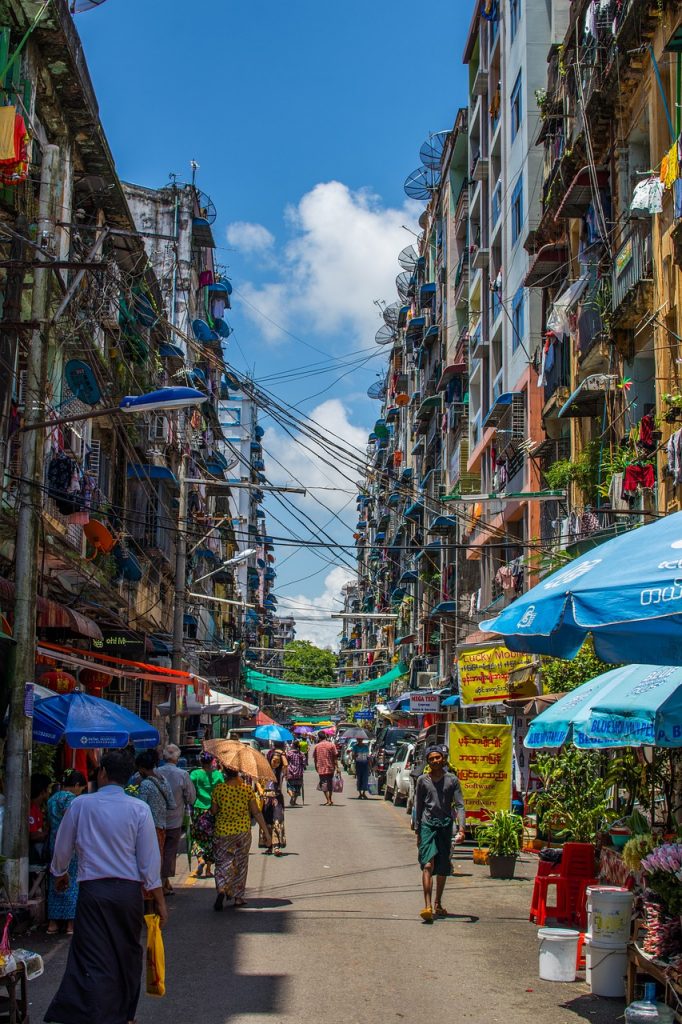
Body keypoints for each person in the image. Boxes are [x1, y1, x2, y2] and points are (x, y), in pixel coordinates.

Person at [44, 750, 167, 1024]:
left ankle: (95, 1011)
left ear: (102, 773)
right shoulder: (138, 809)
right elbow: (149, 861)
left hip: (93, 892)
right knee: (127, 952)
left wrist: (59, 874)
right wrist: (159, 899)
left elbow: (62, 848)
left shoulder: (81, 805)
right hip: (127, 894)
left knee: (92, 955)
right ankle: (124, 1014)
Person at [414, 744, 466, 923]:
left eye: (438, 758)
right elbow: (418, 805)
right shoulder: (422, 780)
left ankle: (438, 902)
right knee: (428, 864)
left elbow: (459, 805)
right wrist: (418, 830)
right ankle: (427, 906)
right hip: (428, 826)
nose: (435, 761)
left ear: (443, 759)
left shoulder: (452, 780)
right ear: (428, 761)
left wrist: (462, 828)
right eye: (432, 758)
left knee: (442, 867)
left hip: (445, 826)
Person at [211, 766, 271, 911]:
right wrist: (267, 834)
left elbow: (213, 811)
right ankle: (238, 897)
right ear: (237, 772)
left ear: (225, 773)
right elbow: (256, 812)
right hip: (242, 832)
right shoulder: (246, 789)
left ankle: (221, 888)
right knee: (241, 863)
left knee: (222, 862)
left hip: (222, 832)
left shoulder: (219, 789)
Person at [46, 769, 87, 935]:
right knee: (71, 882)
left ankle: (53, 923)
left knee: (55, 878)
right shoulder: (72, 800)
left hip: (53, 842)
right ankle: (71, 923)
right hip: (70, 843)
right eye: (82, 788)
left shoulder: (51, 799)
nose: (81, 791)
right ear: (76, 785)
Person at [157, 744, 196, 895]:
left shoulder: (156, 772)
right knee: (169, 852)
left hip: (157, 819)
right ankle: (161, 883)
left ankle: (163, 882)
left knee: (159, 851)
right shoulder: (182, 775)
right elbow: (191, 797)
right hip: (174, 820)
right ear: (177, 758)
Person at [133, 750, 175, 864]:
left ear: (142, 767)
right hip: (162, 826)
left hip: (148, 828)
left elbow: (139, 808)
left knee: (147, 860)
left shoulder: (145, 784)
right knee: (157, 858)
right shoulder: (163, 781)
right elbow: (172, 804)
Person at [189, 751, 223, 877]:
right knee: (211, 840)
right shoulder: (218, 775)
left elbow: (189, 789)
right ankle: (208, 870)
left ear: (201, 762)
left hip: (199, 810)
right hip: (213, 811)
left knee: (197, 837)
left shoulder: (195, 774)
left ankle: (200, 859)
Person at [262, 750, 287, 854]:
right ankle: (269, 846)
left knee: (277, 821)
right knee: (267, 823)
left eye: (278, 762)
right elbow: (258, 783)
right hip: (266, 798)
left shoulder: (280, 771)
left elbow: (285, 764)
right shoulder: (263, 770)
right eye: (274, 761)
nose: (276, 763)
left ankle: (276, 846)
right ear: (270, 759)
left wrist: (282, 754)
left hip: (277, 797)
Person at [313, 734, 339, 806]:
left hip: (321, 767)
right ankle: (330, 799)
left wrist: (316, 766)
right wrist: (337, 767)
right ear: (326, 737)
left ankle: (328, 800)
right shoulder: (331, 745)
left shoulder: (317, 746)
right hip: (330, 767)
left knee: (323, 784)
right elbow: (335, 757)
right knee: (330, 783)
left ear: (319, 737)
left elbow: (315, 758)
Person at [285, 741, 306, 806]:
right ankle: (293, 801)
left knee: (289, 787)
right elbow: (304, 763)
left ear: (293, 745)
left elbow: (285, 763)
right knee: (297, 787)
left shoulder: (289, 753)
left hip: (290, 772)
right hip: (299, 773)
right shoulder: (301, 754)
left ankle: (292, 796)